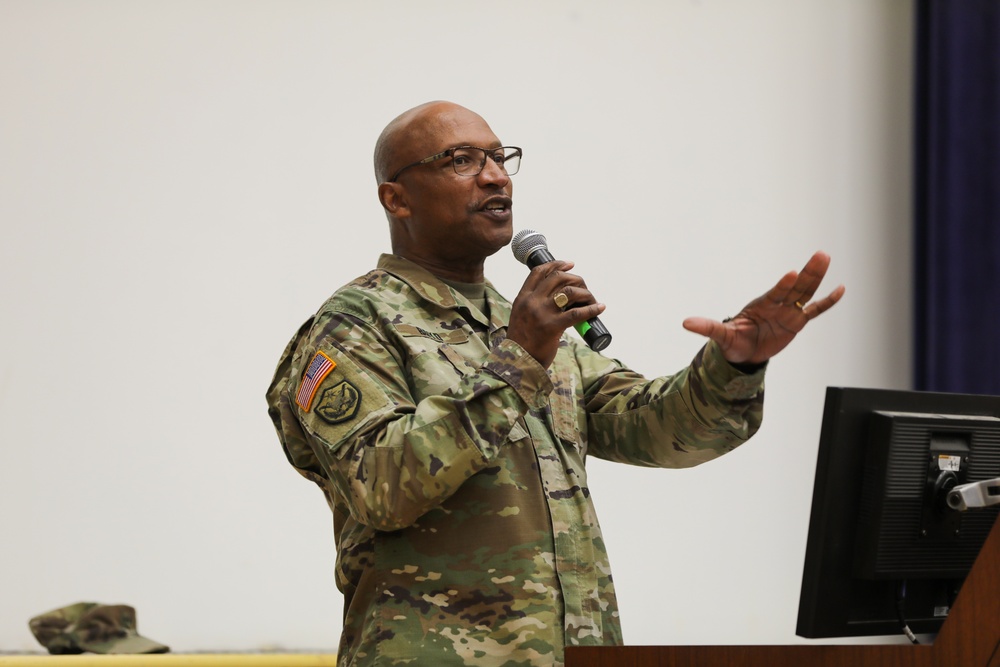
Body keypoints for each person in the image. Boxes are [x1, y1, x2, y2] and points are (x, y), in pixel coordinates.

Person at [266, 101, 844, 667]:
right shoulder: (354, 325)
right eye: (461, 160)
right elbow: (382, 486)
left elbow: (661, 430)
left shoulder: (524, 322)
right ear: (397, 197)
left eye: (500, 157)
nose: (495, 176)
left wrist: (733, 364)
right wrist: (519, 359)